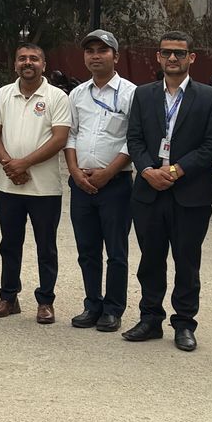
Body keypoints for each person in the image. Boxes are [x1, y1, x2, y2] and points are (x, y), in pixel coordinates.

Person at [124, 30, 212, 351]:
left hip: (190, 193)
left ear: (191, 58)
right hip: (149, 192)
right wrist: (147, 170)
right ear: (158, 56)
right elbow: (134, 138)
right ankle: (150, 319)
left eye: (179, 53)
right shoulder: (143, 95)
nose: (172, 58)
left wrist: (176, 170)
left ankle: (184, 324)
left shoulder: (210, 97)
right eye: (166, 52)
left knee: (187, 262)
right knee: (150, 260)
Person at [0, 43, 71, 323]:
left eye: (34, 58)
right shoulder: (3, 94)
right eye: (22, 58)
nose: (27, 62)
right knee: (9, 244)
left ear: (43, 65)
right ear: (15, 64)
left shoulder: (57, 97)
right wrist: (10, 165)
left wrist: (24, 164)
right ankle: (8, 297)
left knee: (46, 247)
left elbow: (59, 138)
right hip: (8, 185)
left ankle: (45, 301)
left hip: (44, 188)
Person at [63, 30, 136, 332]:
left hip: (116, 184)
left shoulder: (131, 93)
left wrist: (108, 173)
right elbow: (71, 135)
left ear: (115, 56)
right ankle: (92, 304)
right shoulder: (78, 94)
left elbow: (134, 139)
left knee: (116, 252)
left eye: (102, 50)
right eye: (90, 50)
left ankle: (113, 309)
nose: (95, 56)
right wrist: (75, 172)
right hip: (81, 184)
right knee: (87, 249)